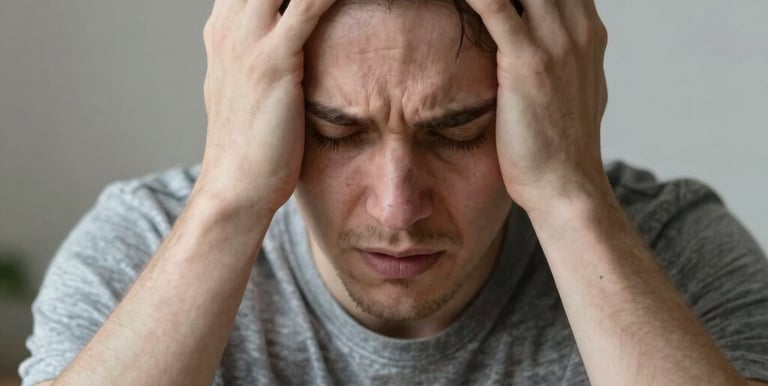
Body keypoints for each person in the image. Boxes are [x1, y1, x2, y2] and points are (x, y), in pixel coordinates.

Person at [18, 0, 768, 385]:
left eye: (459, 130)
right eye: (336, 131)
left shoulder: (671, 247)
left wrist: (570, 194)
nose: (396, 208)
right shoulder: (141, 242)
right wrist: (228, 197)